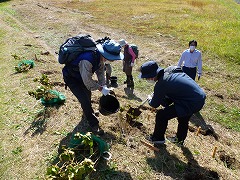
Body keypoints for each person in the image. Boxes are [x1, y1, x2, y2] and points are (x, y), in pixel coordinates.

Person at [62, 40, 123, 135]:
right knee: (84, 101)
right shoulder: (87, 60)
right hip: (72, 78)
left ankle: (87, 113)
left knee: (88, 95)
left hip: (82, 77)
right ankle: (94, 124)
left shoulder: (99, 57)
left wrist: (104, 85)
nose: (113, 60)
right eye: (112, 58)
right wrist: (101, 89)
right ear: (106, 54)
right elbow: (88, 81)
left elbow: (100, 72)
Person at [139, 61, 206, 145]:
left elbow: (154, 104)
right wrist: (160, 95)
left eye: (146, 78)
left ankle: (157, 139)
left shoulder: (161, 84)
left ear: (151, 77)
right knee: (183, 117)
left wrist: (150, 98)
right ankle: (179, 140)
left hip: (190, 101)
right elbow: (167, 100)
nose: (146, 80)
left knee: (162, 115)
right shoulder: (170, 70)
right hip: (198, 96)